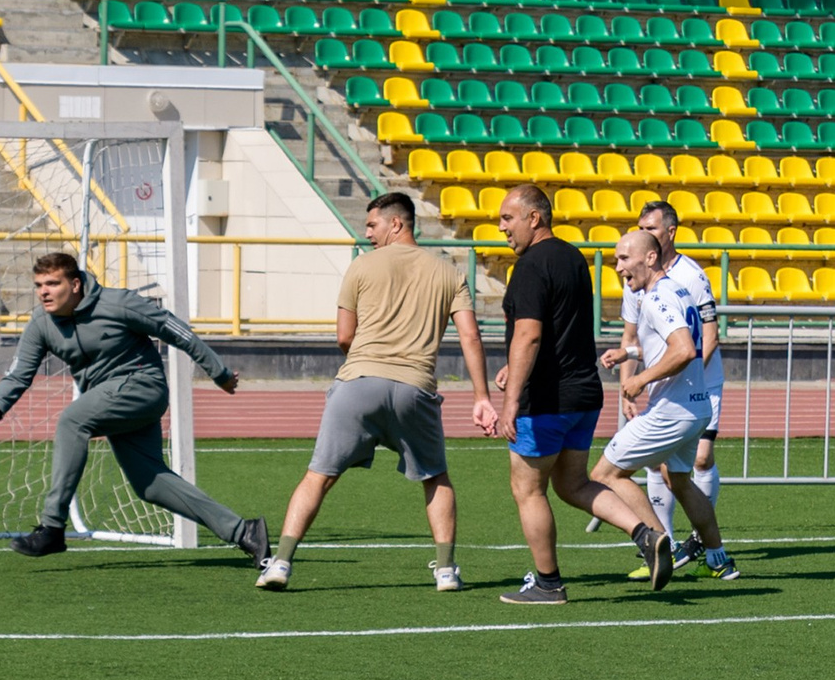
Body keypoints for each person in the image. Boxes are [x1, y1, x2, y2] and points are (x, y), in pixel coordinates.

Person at [258, 190, 494, 592]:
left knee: (318, 476)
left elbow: (343, 337)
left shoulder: (361, 267)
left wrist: (366, 364)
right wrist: (481, 398)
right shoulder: (450, 273)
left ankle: (280, 562)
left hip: (358, 384)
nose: (367, 233)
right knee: (435, 477)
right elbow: (471, 337)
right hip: (415, 388)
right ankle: (445, 569)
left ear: (396, 223)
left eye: (372, 225)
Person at [0, 251, 268, 564]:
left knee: (72, 421)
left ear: (74, 285)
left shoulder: (118, 303)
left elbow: (176, 331)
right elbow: (20, 372)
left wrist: (218, 372)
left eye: (52, 283)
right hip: (109, 399)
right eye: (39, 285)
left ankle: (52, 527)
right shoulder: (41, 322)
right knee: (150, 485)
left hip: (143, 386)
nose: (43, 291)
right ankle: (244, 531)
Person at [490, 184, 667, 604]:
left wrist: (511, 400)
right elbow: (557, 329)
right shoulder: (572, 257)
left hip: (547, 399)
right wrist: (513, 367)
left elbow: (530, 334)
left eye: (507, 219)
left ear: (535, 218)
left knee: (528, 490)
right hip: (584, 393)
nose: (502, 228)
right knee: (572, 484)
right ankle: (646, 534)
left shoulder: (531, 265)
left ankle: (548, 584)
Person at [595, 231, 735, 579]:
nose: (618, 267)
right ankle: (719, 559)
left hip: (672, 411)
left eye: (624, 258)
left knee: (605, 474)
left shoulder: (658, 298)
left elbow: (685, 350)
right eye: (616, 259)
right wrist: (628, 353)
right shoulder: (676, 291)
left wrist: (640, 379)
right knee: (680, 481)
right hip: (696, 408)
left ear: (650, 258)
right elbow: (670, 343)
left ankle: (662, 546)